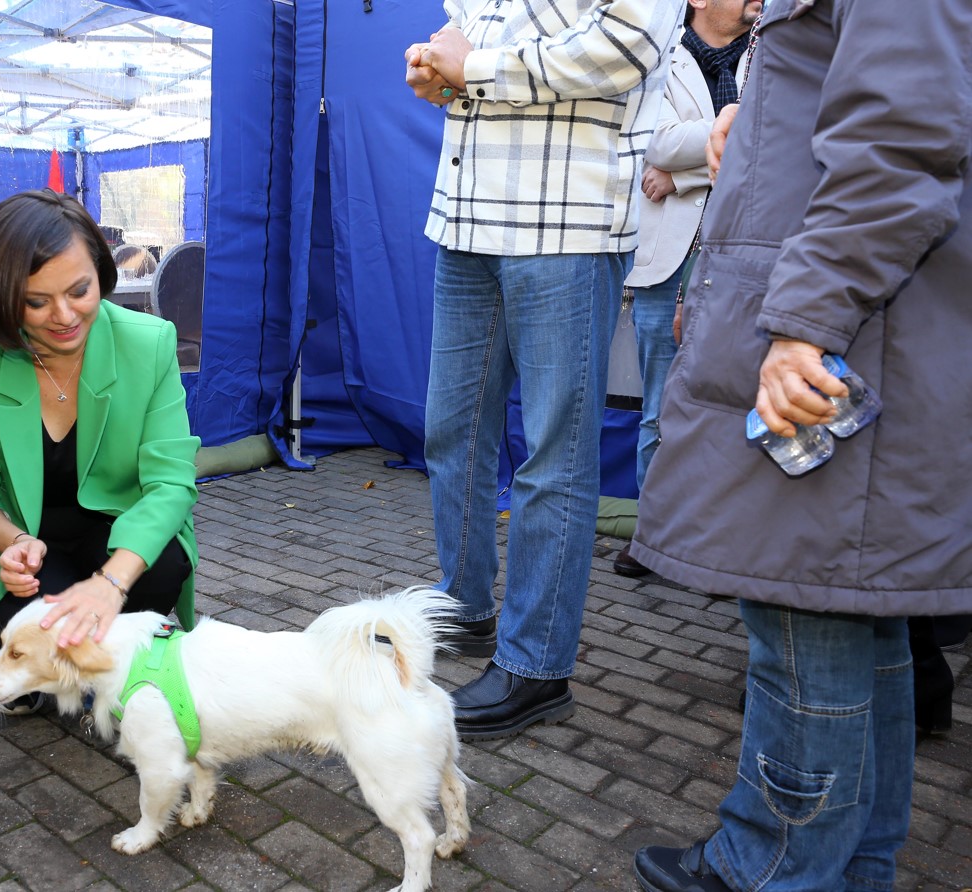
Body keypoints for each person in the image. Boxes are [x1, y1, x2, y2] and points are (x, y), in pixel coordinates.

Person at [629, 0, 972, 889]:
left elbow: (899, 146)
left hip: (837, 337)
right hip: (850, 322)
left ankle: (768, 864)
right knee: (857, 623)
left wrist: (803, 323)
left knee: (802, 619)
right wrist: (759, 132)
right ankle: (852, 865)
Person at [403, 0, 681, 741]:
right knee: (450, 431)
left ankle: (537, 666)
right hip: (465, 214)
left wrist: (478, 68)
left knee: (554, 452)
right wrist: (440, 66)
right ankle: (465, 609)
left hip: (567, 218)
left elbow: (630, 42)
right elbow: (477, 37)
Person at [0, 190, 200, 707]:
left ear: (102, 273)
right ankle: (28, 650)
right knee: (38, 611)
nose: (64, 316)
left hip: (116, 533)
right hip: (29, 541)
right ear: (1, 297)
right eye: (35, 302)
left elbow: (171, 483)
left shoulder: (149, 343)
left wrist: (110, 584)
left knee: (163, 562)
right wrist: (12, 541)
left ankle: (105, 660)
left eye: (80, 290)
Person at [614, 0, 758, 578]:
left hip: (746, 259)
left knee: (736, 405)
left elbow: (779, 143)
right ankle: (653, 535)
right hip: (668, 264)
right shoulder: (658, 52)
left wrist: (684, 174)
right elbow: (653, 141)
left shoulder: (774, 48)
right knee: (659, 408)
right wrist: (734, 130)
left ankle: (728, 546)